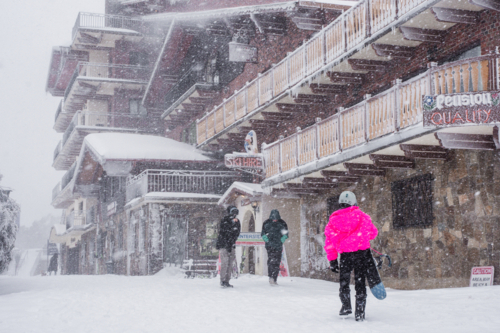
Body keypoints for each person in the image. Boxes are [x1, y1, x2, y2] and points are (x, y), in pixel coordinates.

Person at [324, 191, 379, 321]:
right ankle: (360, 312)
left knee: (344, 281)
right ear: (354, 202)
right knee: (360, 281)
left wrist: (332, 260)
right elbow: (373, 233)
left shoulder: (333, 221)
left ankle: (346, 305)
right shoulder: (363, 216)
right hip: (362, 254)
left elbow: (329, 242)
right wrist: (359, 237)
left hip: (345, 256)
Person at [216, 206, 241, 288]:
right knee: (225, 262)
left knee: (230, 263)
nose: (234, 214)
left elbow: (237, 233)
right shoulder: (224, 220)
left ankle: (227, 280)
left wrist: (232, 241)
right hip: (223, 245)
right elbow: (223, 231)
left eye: (235, 212)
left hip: (231, 245)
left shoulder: (237, 221)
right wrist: (232, 223)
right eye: (233, 212)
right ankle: (222, 280)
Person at [261, 209, 288, 286]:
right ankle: (271, 277)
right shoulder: (266, 223)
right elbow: (263, 233)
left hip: (278, 245)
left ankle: (274, 278)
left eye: (276, 219)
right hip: (269, 245)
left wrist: (283, 238)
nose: (275, 220)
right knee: (271, 261)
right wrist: (266, 239)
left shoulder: (282, 223)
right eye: (273, 218)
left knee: (277, 262)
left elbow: (285, 233)